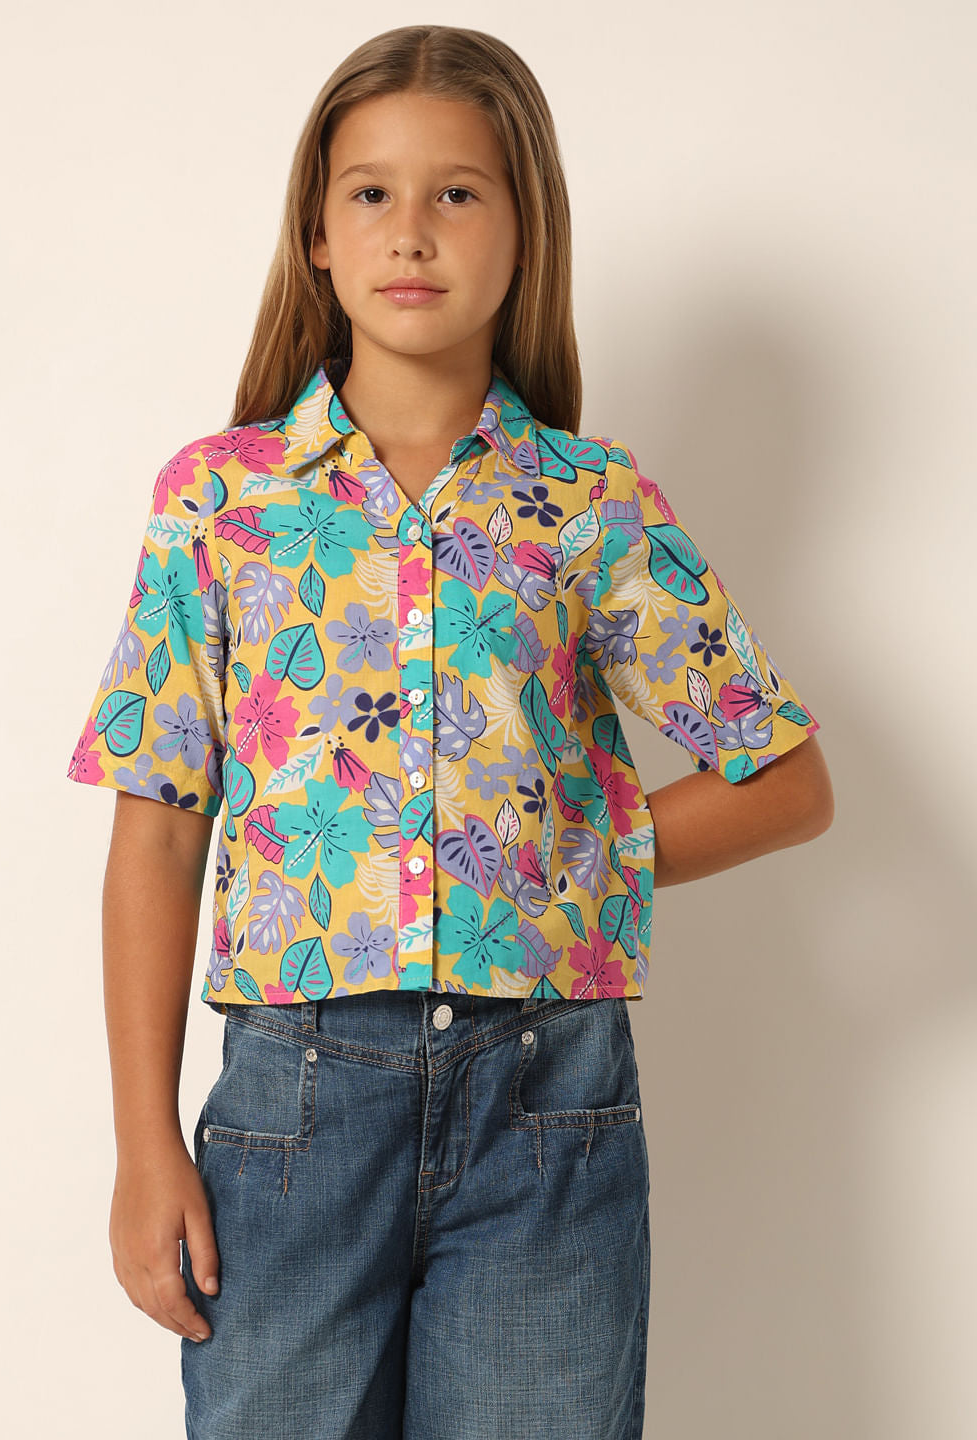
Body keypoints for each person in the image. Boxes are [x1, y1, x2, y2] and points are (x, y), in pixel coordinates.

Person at [65, 23, 834, 1440]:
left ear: (524, 230)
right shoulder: (222, 504)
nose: (410, 231)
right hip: (292, 1110)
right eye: (371, 192)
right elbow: (160, 829)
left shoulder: (588, 504)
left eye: (458, 193)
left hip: (548, 1109)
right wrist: (142, 1144)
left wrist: (577, 857)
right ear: (316, 234)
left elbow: (785, 780)